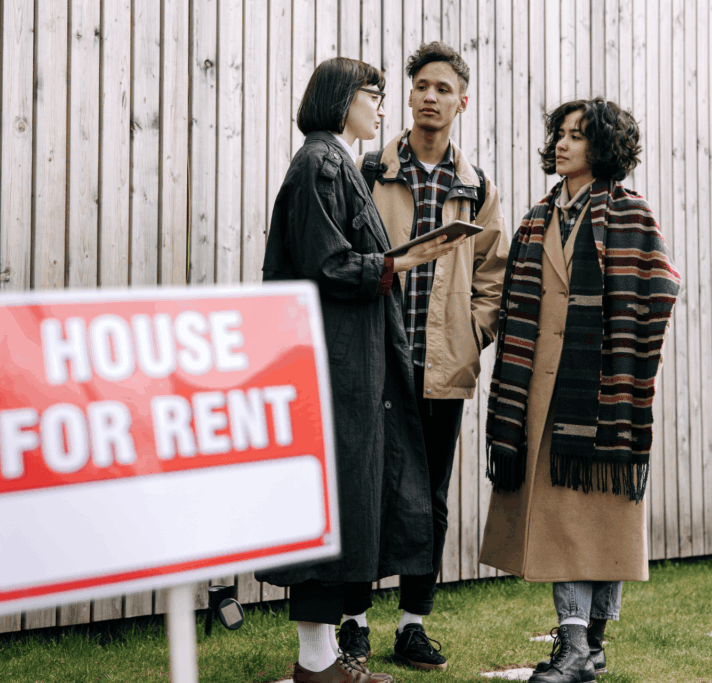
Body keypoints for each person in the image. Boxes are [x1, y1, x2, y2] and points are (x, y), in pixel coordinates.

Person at [258, 57, 467, 683]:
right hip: (333, 362)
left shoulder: (332, 162)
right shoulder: (323, 163)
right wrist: (401, 263)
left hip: (343, 360)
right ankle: (318, 662)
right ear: (343, 99)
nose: (383, 107)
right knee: (327, 502)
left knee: (335, 503)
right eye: (373, 95)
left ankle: (319, 659)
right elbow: (328, 264)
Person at [479, 98, 681, 683]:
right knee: (564, 521)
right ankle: (574, 646)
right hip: (540, 394)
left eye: (577, 136)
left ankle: (587, 648)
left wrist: (621, 350)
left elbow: (661, 288)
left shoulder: (631, 214)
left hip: (604, 390)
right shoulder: (536, 218)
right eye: (559, 135)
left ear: (604, 146)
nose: (563, 144)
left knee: (603, 525)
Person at [336, 41, 510, 672]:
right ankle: (352, 622)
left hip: (442, 368)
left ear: (462, 101)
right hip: (377, 362)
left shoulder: (478, 186)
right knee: (364, 491)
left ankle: (412, 625)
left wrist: (474, 331)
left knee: (428, 498)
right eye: (421, 86)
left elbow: (494, 274)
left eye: (443, 88)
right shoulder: (365, 171)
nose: (430, 97)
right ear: (409, 97)